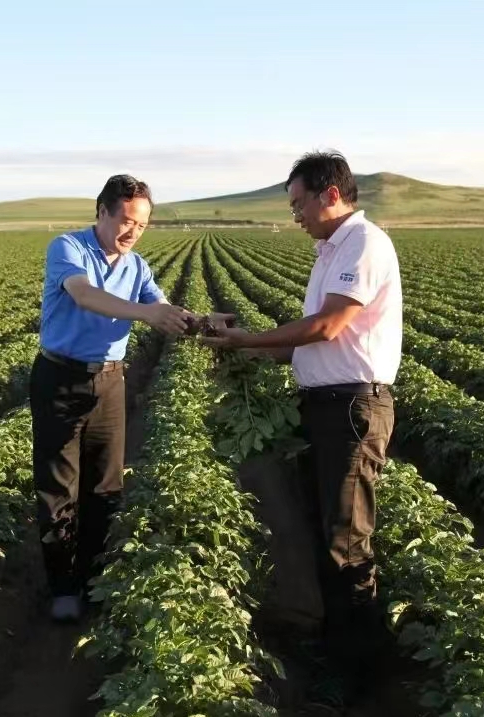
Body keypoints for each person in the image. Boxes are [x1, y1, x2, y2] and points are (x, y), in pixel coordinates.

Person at [201, 150, 402, 687]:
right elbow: (306, 348)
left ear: (329, 194)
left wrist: (249, 339)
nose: (296, 217)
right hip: (325, 406)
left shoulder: (362, 244)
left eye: (298, 205)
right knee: (324, 532)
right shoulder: (329, 251)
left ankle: (357, 674)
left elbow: (329, 326)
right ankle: (334, 648)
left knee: (346, 542)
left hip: (353, 409)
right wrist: (240, 347)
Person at [30, 174, 193, 622]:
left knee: (105, 485)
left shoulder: (136, 266)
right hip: (60, 379)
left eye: (140, 225)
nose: (131, 232)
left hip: (110, 381)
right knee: (59, 486)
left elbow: (161, 306)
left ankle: (94, 578)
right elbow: (84, 295)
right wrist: (145, 313)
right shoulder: (68, 248)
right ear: (101, 212)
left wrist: (199, 321)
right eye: (124, 221)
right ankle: (63, 587)